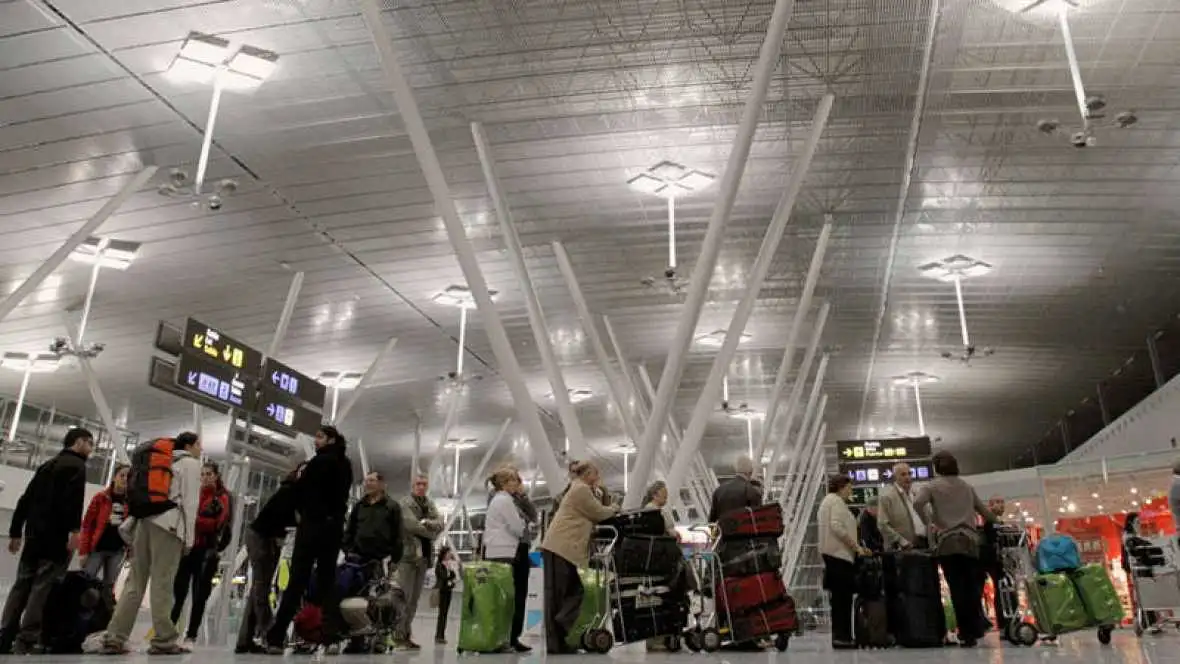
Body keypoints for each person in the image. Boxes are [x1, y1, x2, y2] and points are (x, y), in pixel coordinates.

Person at [102, 432, 203, 655]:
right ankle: (164, 640)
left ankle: (115, 637)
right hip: (169, 526)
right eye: (198, 445)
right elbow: (190, 502)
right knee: (162, 582)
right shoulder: (190, 464)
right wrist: (189, 539)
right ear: (189, 445)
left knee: (134, 583)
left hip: (144, 522)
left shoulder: (162, 462)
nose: (200, 450)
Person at [0, 428, 93, 654]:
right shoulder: (77, 466)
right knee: (41, 589)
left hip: (33, 537)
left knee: (21, 585)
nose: (92, 449)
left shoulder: (47, 465)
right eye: (90, 443)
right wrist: (73, 531)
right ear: (79, 442)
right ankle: (27, 640)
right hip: (56, 538)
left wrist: (15, 532)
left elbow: (26, 498)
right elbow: (73, 501)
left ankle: (4, 636)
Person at [265, 425, 354, 653]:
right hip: (333, 529)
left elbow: (302, 491)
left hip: (312, 526)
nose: (316, 441)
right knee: (326, 581)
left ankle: (277, 636)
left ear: (331, 439)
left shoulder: (317, 463)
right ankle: (329, 636)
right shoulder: (346, 464)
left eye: (320, 436)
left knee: (297, 581)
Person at [912, 450, 995, 649]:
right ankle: (976, 627)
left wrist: (929, 522)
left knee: (957, 588)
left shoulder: (932, 486)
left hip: (948, 543)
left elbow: (917, 503)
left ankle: (967, 634)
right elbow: (985, 512)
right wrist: (996, 521)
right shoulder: (966, 486)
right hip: (970, 543)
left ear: (937, 468)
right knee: (972, 587)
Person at [539, 460, 618, 654]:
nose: (598, 476)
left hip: (563, 548)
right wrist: (615, 507)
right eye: (595, 473)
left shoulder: (582, 489)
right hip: (561, 547)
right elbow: (599, 513)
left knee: (567, 593)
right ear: (586, 474)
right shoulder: (580, 490)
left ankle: (559, 641)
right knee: (565, 594)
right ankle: (559, 631)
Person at [236, 463, 304, 654]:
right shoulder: (291, 493)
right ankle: (269, 634)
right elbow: (290, 519)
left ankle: (245, 639)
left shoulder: (289, 491)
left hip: (262, 537)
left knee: (259, 587)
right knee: (261, 587)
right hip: (262, 539)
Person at [170, 462, 232, 643]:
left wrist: (194, 520)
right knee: (179, 592)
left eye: (209, 474)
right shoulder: (194, 493)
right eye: (203, 474)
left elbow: (217, 523)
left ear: (216, 476)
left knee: (200, 595)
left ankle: (191, 634)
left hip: (207, 551)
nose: (205, 477)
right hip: (188, 548)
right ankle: (169, 630)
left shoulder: (222, 497)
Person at [483, 466, 534, 652]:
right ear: (505, 483)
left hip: (505, 551)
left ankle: (509, 638)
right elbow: (518, 527)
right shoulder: (504, 501)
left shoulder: (502, 500)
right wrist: (522, 523)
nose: (517, 484)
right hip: (508, 551)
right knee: (509, 598)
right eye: (513, 480)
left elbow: (531, 516)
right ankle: (505, 638)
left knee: (509, 597)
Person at [818, 474, 870, 650]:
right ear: (841, 486)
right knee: (843, 599)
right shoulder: (837, 502)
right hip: (840, 556)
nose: (851, 490)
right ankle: (843, 637)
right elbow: (837, 526)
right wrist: (856, 547)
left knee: (839, 600)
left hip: (831, 555)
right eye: (849, 487)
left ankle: (841, 636)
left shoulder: (827, 502)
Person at [395, 474, 444, 650]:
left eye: (424, 484)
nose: (421, 487)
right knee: (404, 598)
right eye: (418, 484)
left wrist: (428, 523)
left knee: (414, 600)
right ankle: (398, 635)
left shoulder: (429, 504)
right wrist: (431, 531)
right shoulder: (404, 503)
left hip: (423, 557)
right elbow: (411, 525)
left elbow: (440, 522)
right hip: (408, 557)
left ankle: (406, 634)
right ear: (412, 485)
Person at [80, 463, 130, 591]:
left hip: (117, 552)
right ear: (114, 477)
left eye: (128, 477)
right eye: (122, 475)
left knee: (108, 588)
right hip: (97, 549)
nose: (125, 479)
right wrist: (83, 551)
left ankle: (103, 611)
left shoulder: (131, 503)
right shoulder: (101, 498)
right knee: (85, 583)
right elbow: (87, 525)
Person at [342, 471, 404, 567]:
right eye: (365, 481)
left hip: (381, 560)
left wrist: (395, 559)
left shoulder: (392, 507)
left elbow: (398, 535)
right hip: (357, 558)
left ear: (381, 484)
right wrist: (347, 550)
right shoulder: (359, 506)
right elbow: (350, 530)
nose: (367, 484)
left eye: (371, 481)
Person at [1121, 512, 1161, 633]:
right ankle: (1148, 623)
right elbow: (1138, 555)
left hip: (1142, 571)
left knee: (1146, 596)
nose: (1140, 525)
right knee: (1145, 596)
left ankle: (1149, 622)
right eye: (1137, 522)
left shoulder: (1132, 537)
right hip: (1140, 571)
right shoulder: (1130, 539)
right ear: (1130, 523)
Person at [877, 462, 926, 550]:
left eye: (909, 474)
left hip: (924, 543)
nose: (907, 477)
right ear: (895, 477)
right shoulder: (887, 497)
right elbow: (882, 524)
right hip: (903, 548)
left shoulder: (915, 493)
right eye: (903, 474)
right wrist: (902, 541)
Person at [978, 495, 1007, 632]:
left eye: (1002, 502)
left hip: (992, 560)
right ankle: (1002, 620)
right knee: (999, 587)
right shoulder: (990, 522)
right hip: (990, 559)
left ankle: (1002, 619)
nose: (1001, 505)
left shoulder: (997, 522)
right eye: (998, 502)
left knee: (1000, 587)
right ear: (989, 505)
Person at [708, 456, 761, 523]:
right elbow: (758, 520)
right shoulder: (752, 491)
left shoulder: (719, 490)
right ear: (751, 471)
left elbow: (711, 521)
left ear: (736, 469)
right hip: (744, 532)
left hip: (723, 532)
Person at [433, 546, 459, 645]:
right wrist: (449, 572)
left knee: (444, 614)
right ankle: (439, 635)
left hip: (448, 591)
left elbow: (453, 576)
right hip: (442, 591)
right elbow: (443, 577)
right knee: (442, 614)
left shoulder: (450, 565)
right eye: (448, 553)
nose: (450, 554)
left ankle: (441, 635)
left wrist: (451, 572)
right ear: (444, 554)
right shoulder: (440, 565)